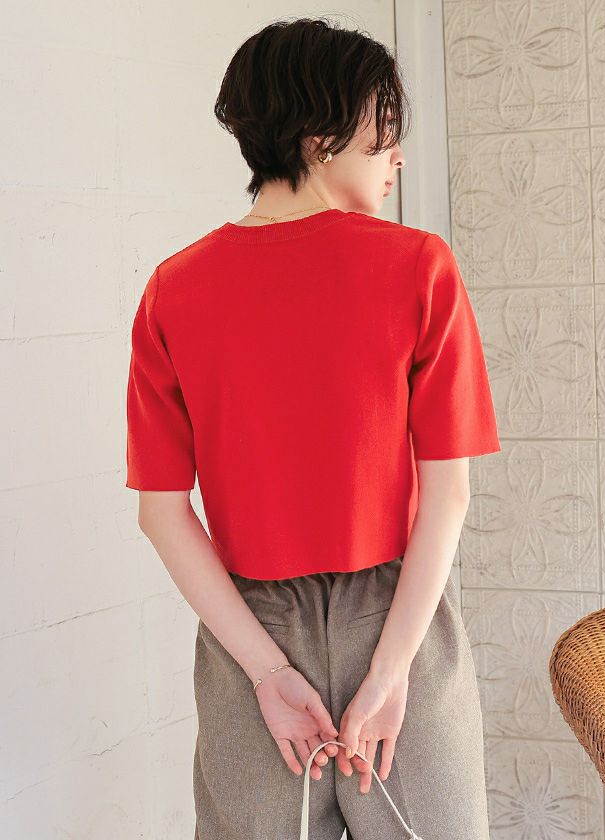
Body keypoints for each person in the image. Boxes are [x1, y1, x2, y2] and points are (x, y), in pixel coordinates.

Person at [125, 15, 501, 840]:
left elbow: (161, 513)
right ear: (321, 135)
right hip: (397, 616)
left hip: (248, 630)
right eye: (384, 130)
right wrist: (392, 671)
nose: (397, 157)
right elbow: (448, 495)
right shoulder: (421, 269)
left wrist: (266, 672)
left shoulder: (172, 291)